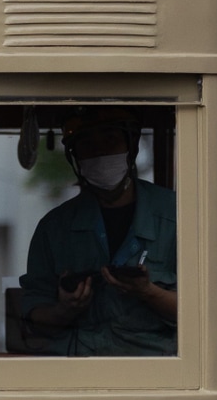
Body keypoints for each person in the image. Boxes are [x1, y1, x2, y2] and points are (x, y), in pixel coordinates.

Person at [13, 110, 177, 357]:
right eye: (87, 144)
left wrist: (147, 291)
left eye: (110, 139)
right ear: (75, 155)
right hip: (76, 376)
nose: (99, 152)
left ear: (131, 145)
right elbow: (33, 317)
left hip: (156, 377)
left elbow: (204, 314)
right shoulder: (54, 227)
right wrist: (65, 309)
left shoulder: (177, 215)